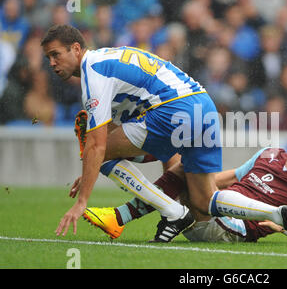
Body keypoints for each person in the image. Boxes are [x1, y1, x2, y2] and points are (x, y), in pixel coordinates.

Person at [40, 24, 222, 242]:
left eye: (55, 54)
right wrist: (91, 166)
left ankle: (174, 213)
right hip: (201, 104)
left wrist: (82, 201)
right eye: (48, 57)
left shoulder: (94, 73)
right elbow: (114, 133)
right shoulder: (106, 60)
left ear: (76, 49)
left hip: (173, 109)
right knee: (203, 202)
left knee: (102, 153)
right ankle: (266, 215)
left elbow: (98, 146)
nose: (51, 63)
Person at [83, 121, 287, 245]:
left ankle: (121, 209)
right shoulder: (270, 153)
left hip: (232, 230)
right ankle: (113, 168)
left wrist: (285, 227)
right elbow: (231, 177)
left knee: (187, 159)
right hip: (212, 208)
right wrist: (196, 179)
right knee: (179, 158)